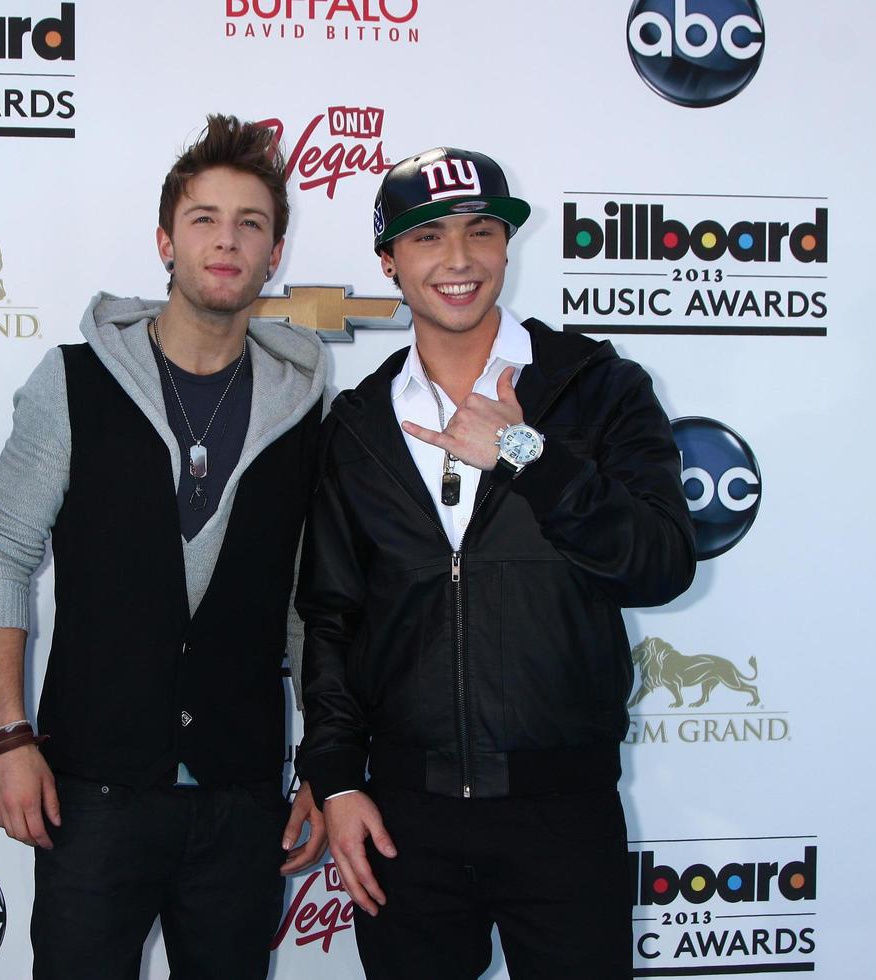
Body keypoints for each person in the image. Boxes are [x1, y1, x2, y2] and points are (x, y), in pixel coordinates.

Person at [296, 147, 697, 979]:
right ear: (389, 262)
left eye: (482, 232)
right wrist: (336, 780)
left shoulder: (598, 386)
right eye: (428, 236)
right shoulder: (359, 425)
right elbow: (330, 616)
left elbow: (661, 563)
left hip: (563, 812)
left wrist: (524, 451)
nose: (459, 259)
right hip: (405, 816)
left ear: (507, 249)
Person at [0, 114, 328, 979]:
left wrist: (326, 764)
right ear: (166, 240)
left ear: (275, 254)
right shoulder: (73, 381)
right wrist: (10, 737)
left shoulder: (304, 407)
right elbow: (2, 557)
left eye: (252, 224)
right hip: (91, 791)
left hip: (242, 800)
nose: (227, 240)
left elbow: (308, 607)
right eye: (204, 218)